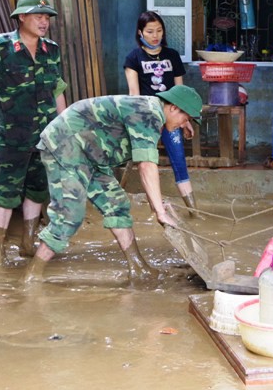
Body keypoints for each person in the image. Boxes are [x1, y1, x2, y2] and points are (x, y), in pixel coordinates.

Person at [23, 86, 203, 284]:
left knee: (117, 205)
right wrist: (160, 211)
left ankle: (138, 266)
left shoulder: (154, 111)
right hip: (66, 143)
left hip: (90, 153)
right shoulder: (149, 113)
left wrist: (156, 203)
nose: (185, 124)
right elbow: (146, 166)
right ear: (174, 108)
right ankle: (32, 275)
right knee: (69, 215)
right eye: (185, 119)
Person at [0, 0, 67, 258]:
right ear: (21, 17)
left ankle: (28, 242)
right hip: (14, 135)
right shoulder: (1, 45)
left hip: (46, 135)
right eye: (38, 16)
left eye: (46, 17)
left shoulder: (52, 49)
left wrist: (65, 126)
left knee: (38, 187)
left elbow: (57, 88)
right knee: (7, 190)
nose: (44, 22)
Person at [123, 11, 199, 217]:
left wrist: (185, 120)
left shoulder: (172, 55)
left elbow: (180, 93)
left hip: (172, 117)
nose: (155, 35)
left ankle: (193, 210)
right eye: (149, 31)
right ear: (140, 32)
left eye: (159, 30)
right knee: (140, 160)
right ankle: (148, 205)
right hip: (147, 118)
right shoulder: (133, 58)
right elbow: (133, 94)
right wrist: (137, 124)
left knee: (179, 159)